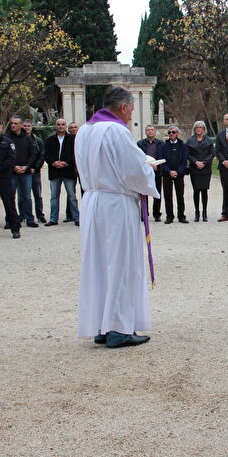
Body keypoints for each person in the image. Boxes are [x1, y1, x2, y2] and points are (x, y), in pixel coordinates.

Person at [75, 87, 159, 349]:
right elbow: (134, 171)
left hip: (92, 200)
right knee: (121, 263)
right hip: (116, 203)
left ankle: (102, 324)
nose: (131, 114)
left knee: (99, 263)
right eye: (132, 109)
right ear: (124, 107)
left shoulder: (85, 131)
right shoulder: (117, 131)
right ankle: (119, 328)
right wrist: (149, 168)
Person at [5, 115, 38, 228]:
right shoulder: (7, 138)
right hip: (12, 172)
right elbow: (5, 155)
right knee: (10, 196)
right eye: (12, 123)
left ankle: (29, 219)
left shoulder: (28, 138)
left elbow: (33, 154)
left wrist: (26, 166)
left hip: (26, 172)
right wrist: (14, 166)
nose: (13, 125)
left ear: (20, 125)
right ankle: (10, 220)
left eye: (15, 123)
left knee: (27, 196)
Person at [44, 118, 79, 226]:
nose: (60, 126)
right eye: (58, 124)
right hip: (54, 172)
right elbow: (46, 154)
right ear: (55, 126)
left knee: (72, 196)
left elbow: (75, 154)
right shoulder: (50, 140)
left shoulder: (72, 139)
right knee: (54, 196)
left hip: (68, 171)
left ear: (65, 126)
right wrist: (53, 162)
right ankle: (53, 219)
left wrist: (66, 163)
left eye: (63, 124)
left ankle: (76, 217)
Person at [159, 125, 188, 224]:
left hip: (179, 174)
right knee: (168, 196)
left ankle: (181, 216)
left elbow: (184, 161)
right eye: (169, 132)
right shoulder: (163, 146)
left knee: (180, 195)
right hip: (167, 174)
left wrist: (178, 171)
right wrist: (169, 171)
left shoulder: (183, 145)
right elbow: (162, 161)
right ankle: (169, 216)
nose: (171, 134)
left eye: (173, 132)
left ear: (177, 133)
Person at [186, 121, 214, 222]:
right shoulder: (190, 140)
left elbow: (212, 154)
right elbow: (188, 154)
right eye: (197, 127)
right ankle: (197, 212)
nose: (199, 129)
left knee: (204, 190)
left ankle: (204, 212)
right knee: (196, 190)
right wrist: (196, 162)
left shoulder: (209, 140)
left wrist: (204, 163)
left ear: (204, 129)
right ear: (194, 129)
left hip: (205, 169)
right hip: (195, 168)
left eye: (201, 127)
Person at [136, 124, 163, 222]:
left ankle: (157, 214)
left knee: (157, 193)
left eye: (152, 130)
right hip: (144, 172)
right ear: (145, 132)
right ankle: (144, 213)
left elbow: (163, 157)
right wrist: (147, 165)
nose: (150, 131)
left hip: (157, 171)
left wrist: (157, 166)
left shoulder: (161, 143)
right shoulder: (139, 143)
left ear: (155, 132)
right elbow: (137, 157)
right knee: (144, 192)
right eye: (148, 130)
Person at [23, 119, 47, 224]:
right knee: (23, 195)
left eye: (28, 126)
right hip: (23, 171)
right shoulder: (20, 140)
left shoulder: (37, 140)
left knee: (37, 194)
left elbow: (41, 155)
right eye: (25, 126)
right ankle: (23, 215)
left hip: (35, 171)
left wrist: (36, 168)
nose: (27, 128)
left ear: (31, 127)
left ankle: (40, 215)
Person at [64, 121, 80, 223]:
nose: (73, 129)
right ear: (68, 129)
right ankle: (69, 213)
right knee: (71, 192)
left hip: (82, 170)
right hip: (70, 169)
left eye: (75, 127)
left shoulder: (82, 138)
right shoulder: (67, 140)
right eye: (71, 128)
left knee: (85, 192)